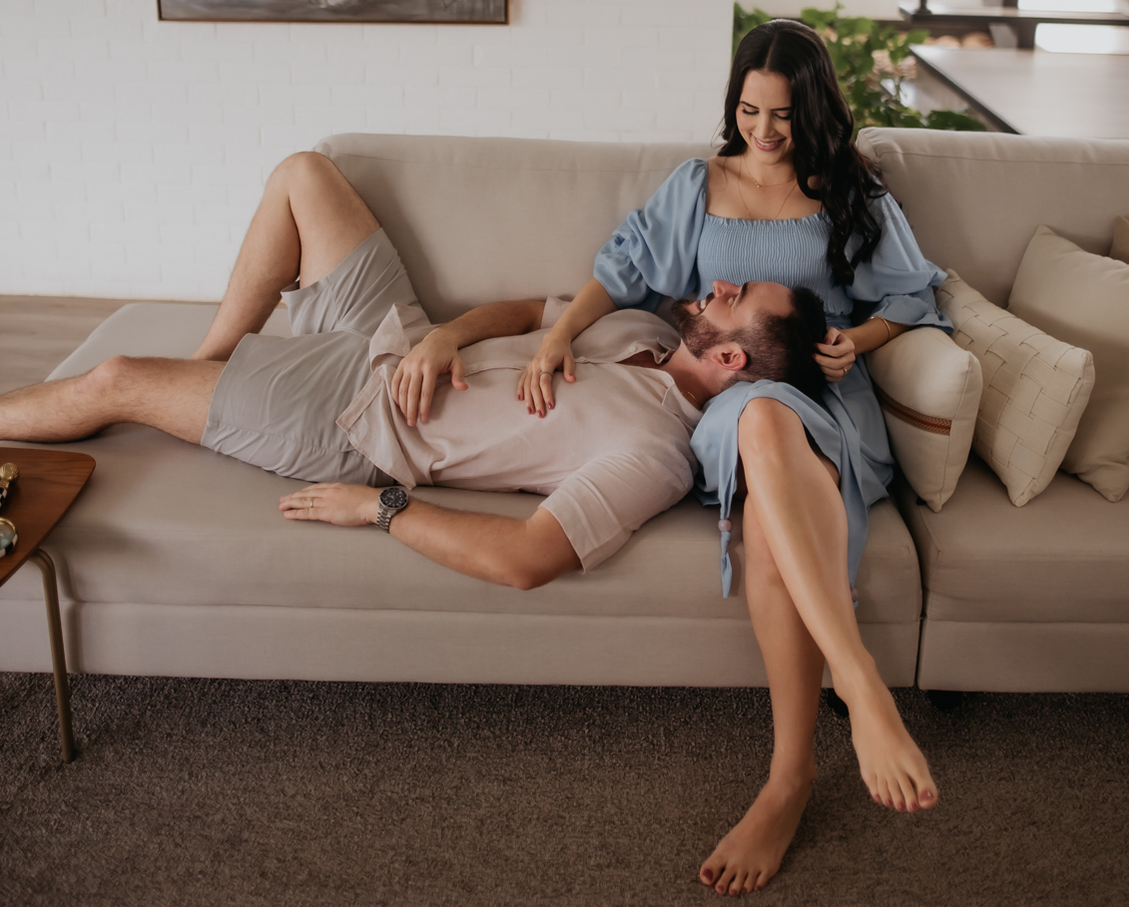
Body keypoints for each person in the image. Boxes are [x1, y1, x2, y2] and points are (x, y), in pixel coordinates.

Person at [517, 18, 947, 894]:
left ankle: (790, 778)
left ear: (812, 109)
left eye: (782, 114)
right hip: (732, 401)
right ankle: (859, 683)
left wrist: (855, 342)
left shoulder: (850, 192)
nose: (763, 129)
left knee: (770, 517)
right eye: (749, 110)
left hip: (827, 401)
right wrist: (557, 334)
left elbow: (915, 297)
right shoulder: (698, 185)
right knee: (754, 416)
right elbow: (624, 268)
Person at [0, 151, 826, 593]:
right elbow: (523, 311)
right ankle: (211, 365)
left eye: (737, 296)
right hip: (401, 335)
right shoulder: (642, 325)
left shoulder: (656, 453)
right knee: (302, 174)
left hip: (358, 416)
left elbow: (526, 559)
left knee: (115, 379)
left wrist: (382, 506)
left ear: (729, 358)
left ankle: (193, 388)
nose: (721, 281)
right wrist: (444, 338)